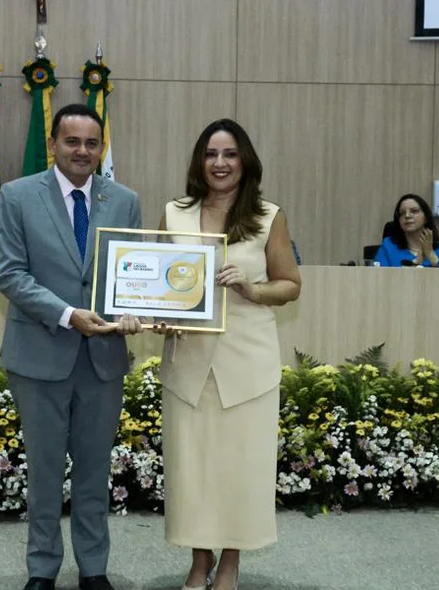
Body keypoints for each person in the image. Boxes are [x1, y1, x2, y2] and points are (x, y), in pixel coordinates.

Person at [0, 104, 143, 590]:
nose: (82, 151)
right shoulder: (16, 196)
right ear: (53, 143)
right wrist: (68, 314)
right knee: (44, 472)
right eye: (72, 141)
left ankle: (94, 568)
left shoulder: (124, 199)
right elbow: (11, 274)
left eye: (92, 143)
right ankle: (42, 568)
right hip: (39, 357)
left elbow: (132, 273)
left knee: (95, 472)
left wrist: (134, 311)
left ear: (102, 147)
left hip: (103, 361)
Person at [155, 119, 302, 590]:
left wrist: (251, 288)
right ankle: (200, 562)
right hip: (188, 365)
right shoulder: (174, 214)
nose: (220, 163)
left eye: (231, 154)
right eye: (212, 154)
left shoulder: (268, 216)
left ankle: (231, 562)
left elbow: (290, 285)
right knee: (192, 470)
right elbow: (156, 286)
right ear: (200, 160)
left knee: (240, 469)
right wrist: (152, 312)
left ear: (246, 162)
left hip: (247, 364)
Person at [372, 194, 439, 268]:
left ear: (426, 217)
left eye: (414, 211)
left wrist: (431, 255)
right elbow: (379, 277)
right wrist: (415, 262)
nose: (407, 216)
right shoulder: (388, 247)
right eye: (402, 213)